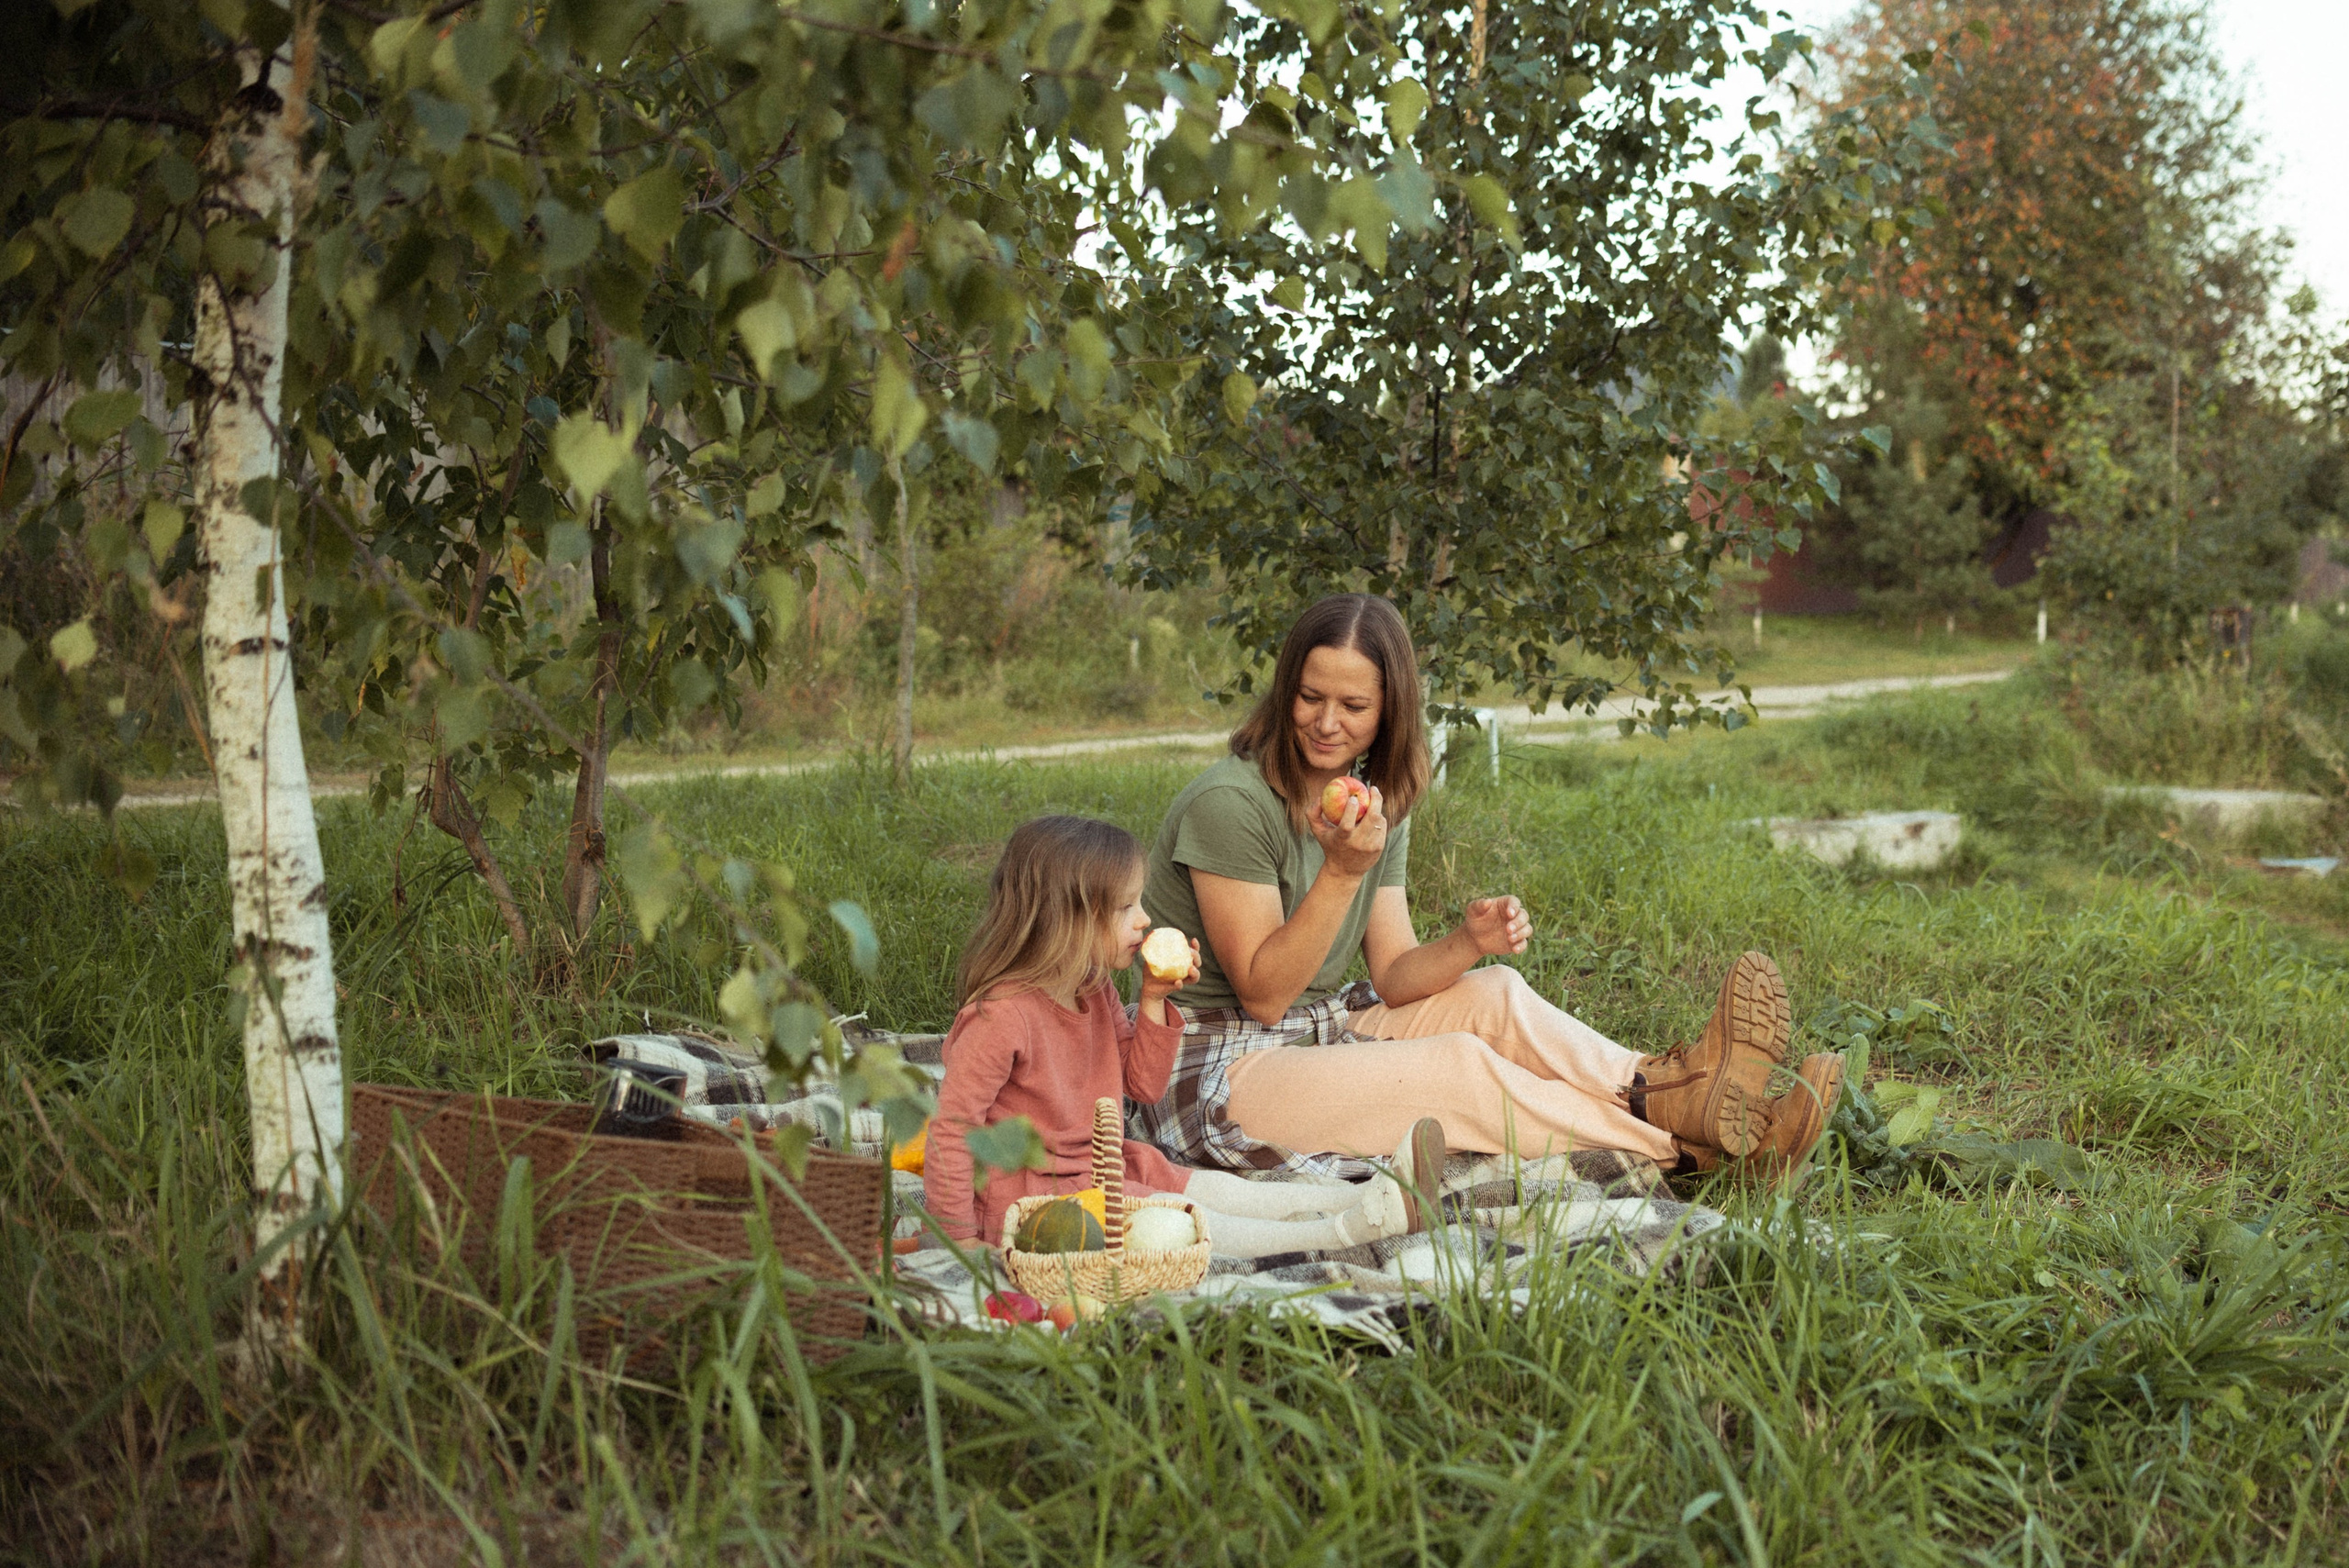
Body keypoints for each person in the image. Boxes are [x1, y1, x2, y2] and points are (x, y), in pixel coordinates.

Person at [1129, 593, 1843, 1185]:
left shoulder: (1372, 802)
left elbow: (1394, 973)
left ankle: (1667, 1087)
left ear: (1389, 708)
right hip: (1210, 1071)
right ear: (1287, 691)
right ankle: (1695, 1153)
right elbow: (1263, 992)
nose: (1327, 722)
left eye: (1353, 704)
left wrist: (1468, 942)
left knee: (1495, 989)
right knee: (1460, 1071)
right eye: (1311, 697)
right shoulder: (1229, 804)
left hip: (1315, 1030)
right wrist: (1343, 871)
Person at [922, 815, 1452, 1259]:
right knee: (1186, 1220)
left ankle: (1370, 1199)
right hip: (1039, 1200)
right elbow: (951, 1132)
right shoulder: (1000, 1018)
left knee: (1216, 1188)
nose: (1145, 920)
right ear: (1069, 918)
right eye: (1126, 908)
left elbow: (1143, 1087)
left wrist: (1153, 1000)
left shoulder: (1092, 988)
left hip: (1102, 1164)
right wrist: (959, 1238)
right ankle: (1344, 1232)